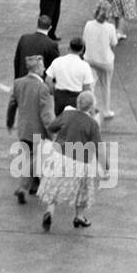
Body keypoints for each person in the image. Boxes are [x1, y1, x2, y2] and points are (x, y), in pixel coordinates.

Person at [38, 90, 103, 232]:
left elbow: (52, 126)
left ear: (77, 103)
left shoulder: (67, 114)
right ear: (91, 107)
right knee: (83, 188)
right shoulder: (92, 124)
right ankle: (79, 216)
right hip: (80, 161)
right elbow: (97, 146)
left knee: (55, 185)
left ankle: (50, 211)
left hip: (60, 155)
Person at [9, 54, 56, 203]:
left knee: (29, 157)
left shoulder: (18, 83)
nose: (44, 69)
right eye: (42, 66)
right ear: (36, 69)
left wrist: (9, 121)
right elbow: (46, 114)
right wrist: (52, 133)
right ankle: (23, 187)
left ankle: (32, 185)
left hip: (24, 128)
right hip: (38, 131)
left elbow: (12, 104)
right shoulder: (43, 88)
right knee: (36, 159)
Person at [82, 1, 119, 119]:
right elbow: (114, 43)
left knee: (90, 85)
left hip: (89, 59)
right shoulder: (110, 27)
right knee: (106, 86)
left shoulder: (88, 24)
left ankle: (90, 109)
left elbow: (84, 41)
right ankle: (106, 110)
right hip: (105, 61)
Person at [46, 37, 96, 115]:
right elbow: (87, 88)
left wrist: (54, 92)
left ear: (69, 48)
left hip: (60, 96)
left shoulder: (58, 61)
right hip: (75, 98)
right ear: (82, 50)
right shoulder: (84, 66)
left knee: (58, 120)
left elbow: (48, 80)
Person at [13, 14, 61, 78]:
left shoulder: (24, 38)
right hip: (40, 82)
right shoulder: (51, 44)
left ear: (37, 25)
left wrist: (17, 79)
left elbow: (17, 61)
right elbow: (55, 67)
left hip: (22, 78)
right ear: (50, 28)